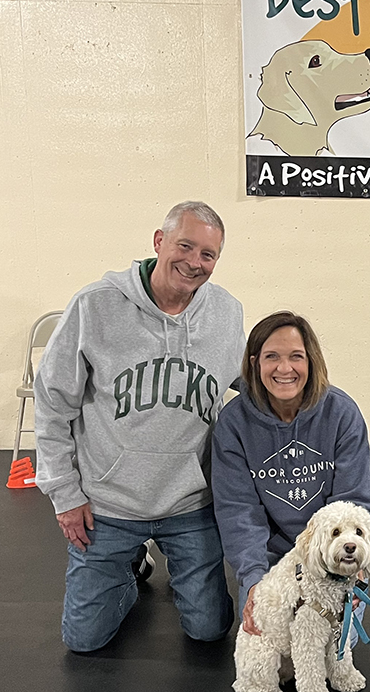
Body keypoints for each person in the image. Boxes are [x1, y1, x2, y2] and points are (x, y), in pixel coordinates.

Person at [34, 201, 245, 652]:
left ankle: (144, 562)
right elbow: (53, 402)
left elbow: (250, 382)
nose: (194, 262)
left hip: (189, 502)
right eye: (184, 246)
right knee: (83, 641)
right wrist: (64, 495)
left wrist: (317, 400)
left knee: (210, 629)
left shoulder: (226, 313)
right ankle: (129, 571)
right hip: (108, 504)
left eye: (208, 255)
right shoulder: (95, 306)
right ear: (159, 241)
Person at [212, 312, 370, 636]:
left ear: (311, 361)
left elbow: (353, 502)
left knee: (331, 648)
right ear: (255, 363)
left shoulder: (342, 414)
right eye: (272, 357)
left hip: (328, 555)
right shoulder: (233, 424)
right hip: (271, 558)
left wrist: (348, 571)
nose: (284, 369)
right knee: (269, 646)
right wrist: (254, 580)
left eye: (296, 357)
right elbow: (239, 513)